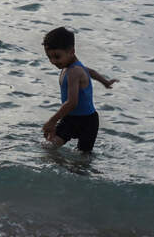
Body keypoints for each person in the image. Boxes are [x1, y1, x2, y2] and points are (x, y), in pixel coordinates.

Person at [41, 26, 116, 154]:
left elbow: (72, 103)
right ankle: (63, 166)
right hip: (70, 119)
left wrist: (52, 121)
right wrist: (105, 82)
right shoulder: (70, 66)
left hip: (88, 122)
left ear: (71, 51)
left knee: (82, 159)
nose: (53, 61)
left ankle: (74, 170)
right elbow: (90, 71)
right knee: (48, 148)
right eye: (49, 57)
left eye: (57, 57)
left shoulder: (74, 72)